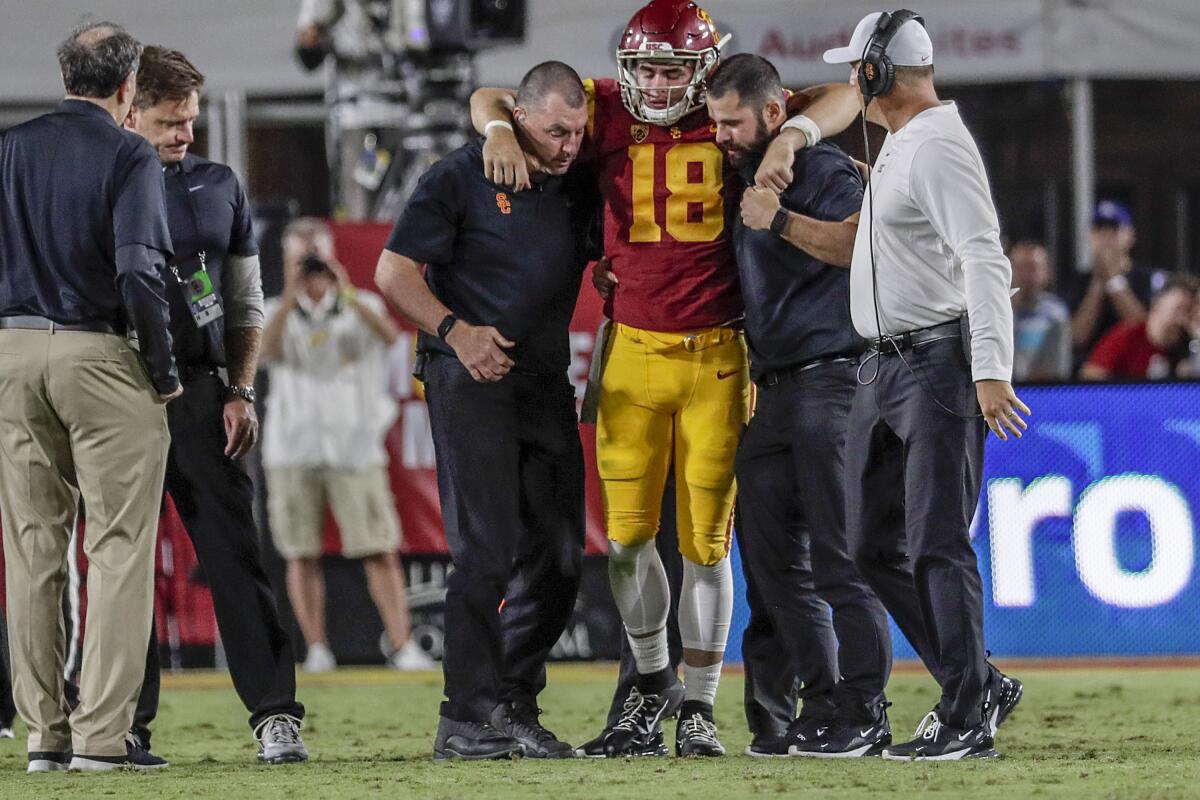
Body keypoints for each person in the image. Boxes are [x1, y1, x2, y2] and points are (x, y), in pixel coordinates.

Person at [469, 0, 864, 758]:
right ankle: (652, 688)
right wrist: (494, 127)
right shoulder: (607, 108)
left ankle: (702, 708)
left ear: (706, 71)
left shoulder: (732, 114)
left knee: (706, 547)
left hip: (719, 351)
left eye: (670, 69)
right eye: (645, 67)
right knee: (625, 541)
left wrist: (796, 137)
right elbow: (495, 98)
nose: (653, 83)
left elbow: (839, 97)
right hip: (633, 350)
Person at [375, 60, 597, 760]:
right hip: (467, 380)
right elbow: (392, 272)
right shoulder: (459, 174)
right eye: (557, 130)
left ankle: (511, 702)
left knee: (562, 557)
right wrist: (454, 331)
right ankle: (464, 719)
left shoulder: (575, 183)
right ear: (522, 116)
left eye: (579, 131)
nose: (568, 144)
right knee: (485, 550)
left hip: (543, 383)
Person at [823, 9, 1027, 760]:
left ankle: (968, 715)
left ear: (879, 71)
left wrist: (991, 370)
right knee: (872, 545)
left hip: (936, 364)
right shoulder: (911, 146)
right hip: (885, 366)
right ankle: (976, 682)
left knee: (937, 543)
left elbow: (984, 256)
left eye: (858, 67)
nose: (852, 79)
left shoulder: (938, 144)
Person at [122, 45, 309, 765]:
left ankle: (275, 715)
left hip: (202, 395)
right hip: (122, 396)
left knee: (236, 557)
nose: (185, 134)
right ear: (129, 112)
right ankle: (123, 724)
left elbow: (243, 299)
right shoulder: (99, 182)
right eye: (171, 121)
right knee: (122, 568)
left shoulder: (218, 183)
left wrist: (240, 389)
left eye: (191, 120)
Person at [0, 22, 179, 773]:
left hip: (10, 352)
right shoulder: (129, 151)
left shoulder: (9, 147)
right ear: (128, 87)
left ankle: (43, 737)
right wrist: (163, 367)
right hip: (98, 352)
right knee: (117, 547)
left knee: (33, 547)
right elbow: (140, 271)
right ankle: (103, 739)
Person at [707, 53, 894, 758]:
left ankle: (865, 710)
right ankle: (820, 709)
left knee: (841, 561)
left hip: (837, 384)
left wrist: (777, 218)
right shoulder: (743, 166)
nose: (721, 134)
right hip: (774, 389)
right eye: (715, 122)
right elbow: (832, 97)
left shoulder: (824, 171)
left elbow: (858, 248)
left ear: (773, 113)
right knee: (771, 567)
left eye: (733, 122)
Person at [261, 219, 433, 674]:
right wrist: (291, 290)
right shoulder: (273, 308)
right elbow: (261, 352)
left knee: (379, 546)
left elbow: (391, 337)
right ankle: (317, 649)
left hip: (355, 445)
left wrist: (344, 287)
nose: (312, 266)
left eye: (317, 255)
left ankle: (403, 645)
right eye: (303, 257)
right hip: (293, 446)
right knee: (300, 551)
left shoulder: (361, 305)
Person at [1068, 200, 1165, 368]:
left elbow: (1144, 331)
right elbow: (1077, 336)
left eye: (1114, 229)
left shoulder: (1148, 278)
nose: (1106, 237)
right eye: (1099, 230)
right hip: (1087, 375)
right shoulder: (1078, 280)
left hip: (1136, 373)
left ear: (1130, 235)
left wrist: (1114, 281)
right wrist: (1098, 284)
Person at [1080, 274, 1199, 380]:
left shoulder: (1189, 345)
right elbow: (1091, 376)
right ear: (1156, 304)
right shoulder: (1128, 335)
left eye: (1188, 312)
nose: (1182, 320)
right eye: (1178, 310)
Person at [1010, 241, 1072, 382]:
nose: (1025, 275)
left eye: (1032, 268)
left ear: (1046, 272)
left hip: (1043, 391)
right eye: (1020, 268)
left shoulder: (1057, 314)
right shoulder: (995, 311)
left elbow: (1058, 368)